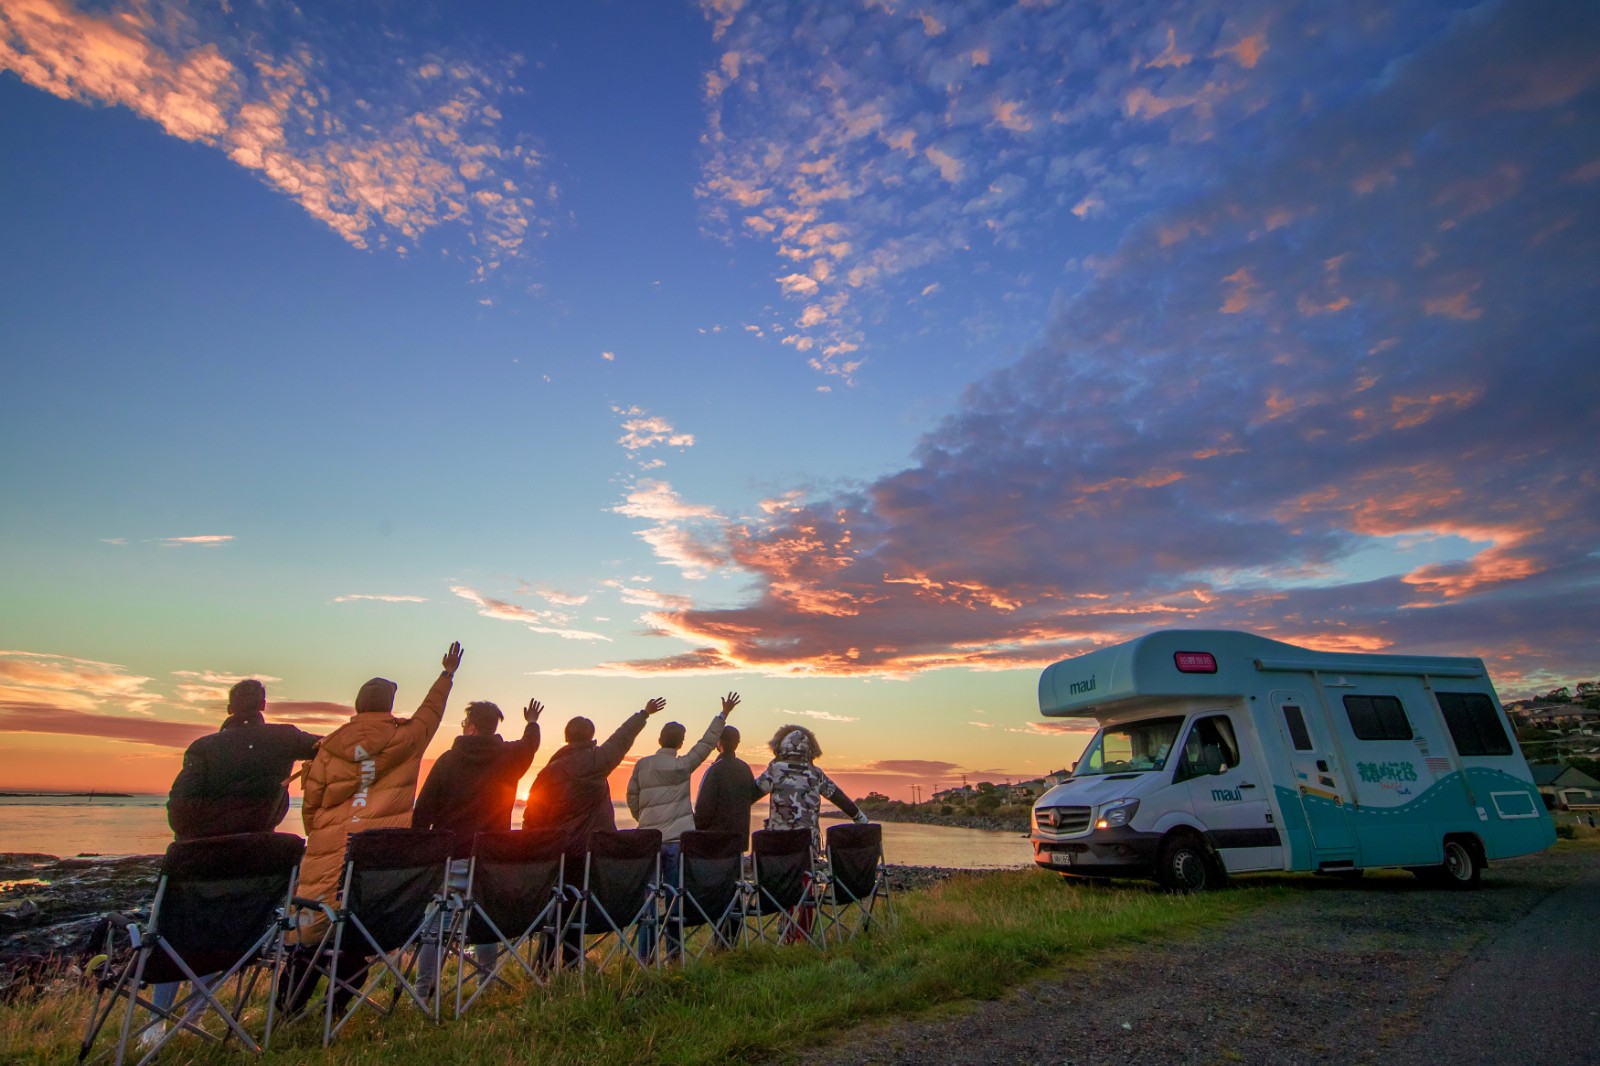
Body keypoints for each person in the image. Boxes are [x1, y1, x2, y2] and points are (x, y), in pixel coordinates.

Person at [282, 641, 463, 1013]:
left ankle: (289, 1009)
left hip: (327, 854)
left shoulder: (327, 749)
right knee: (363, 929)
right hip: (379, 860)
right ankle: (335, 1007)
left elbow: (311, 811)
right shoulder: (405, 738)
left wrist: (332, 828)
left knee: (314, 933)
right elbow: (431, 714)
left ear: (358, 707)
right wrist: (446, 675)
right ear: (388, 707)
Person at [150, 679, 321, 1044]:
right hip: (258, 858)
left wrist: (203, 834)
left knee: (176, 931)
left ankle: (158, 1024)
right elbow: (329, 747)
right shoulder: (284, 738)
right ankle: (190, 1019)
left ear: (229, 709)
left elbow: (178, 812)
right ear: (262, 704)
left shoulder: (204, 748)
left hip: (197, 857)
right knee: (236, 928)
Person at [521, 696, 667, 966]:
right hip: (595, 852)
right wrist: (643, 714)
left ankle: (549, 962)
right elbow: (621, 738)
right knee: (577, 903)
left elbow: (533, 816)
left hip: (561, 852)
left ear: (566, 738)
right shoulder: (600, 761)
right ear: (591, 738)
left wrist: (534, 851)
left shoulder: (551, 772)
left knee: (561, 905)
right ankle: (569, 960)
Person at [411, 696, 542, 994]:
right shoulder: (509, 756)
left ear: (469, 727)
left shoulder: (447, 760)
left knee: (437, 919)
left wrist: (420, 851)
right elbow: (529, 745)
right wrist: (532, 723)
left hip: (453, 854)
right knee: (485, 915)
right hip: (491, 859)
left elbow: (423, 812)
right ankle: (486, 983)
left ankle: (423, 988)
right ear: (494, 726)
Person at [626, 692, 738, 959]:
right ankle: (674, 955)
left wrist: (643, 818)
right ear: (680, 743)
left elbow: (632, 797)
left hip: (649, 840)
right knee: (676, 901)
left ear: (659, 740)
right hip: (677, 842)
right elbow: (707, 743)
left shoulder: (642, 765)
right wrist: (723, 715)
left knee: (649, 903)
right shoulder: (683, 765)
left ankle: (646, 956)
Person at [755, 723, 869, 943]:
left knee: (786, 883)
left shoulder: (775, 770)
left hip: (778, 844)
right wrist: (859, 818)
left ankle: (787, 931)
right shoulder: (815, 774)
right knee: (807, 883)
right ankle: (803, 933)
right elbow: (838, 797)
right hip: (808, 844)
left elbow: (751, 794)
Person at [693, 721, 763, 851]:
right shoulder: (745, 769)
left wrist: (695, 828)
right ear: (737, 743)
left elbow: (703, 808)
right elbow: (750, 797)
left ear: (719, 742)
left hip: (715, 841)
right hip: (738, 841)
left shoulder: (715, 770)